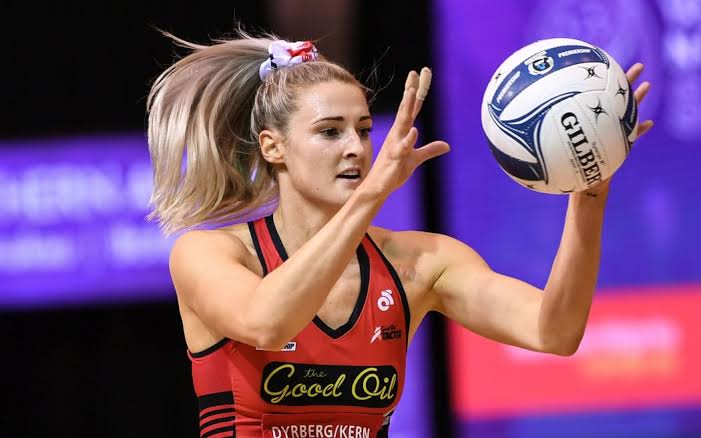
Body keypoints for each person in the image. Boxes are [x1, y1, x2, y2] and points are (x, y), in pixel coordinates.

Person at [146, 30, 653, 438]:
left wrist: (589, 193)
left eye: (365, 129)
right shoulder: (209, 252)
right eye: (330, 131)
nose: (356, 147)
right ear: (272, 147)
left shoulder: (419, 264)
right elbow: (267, 324)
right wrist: (373, 194)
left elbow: (555, 331)